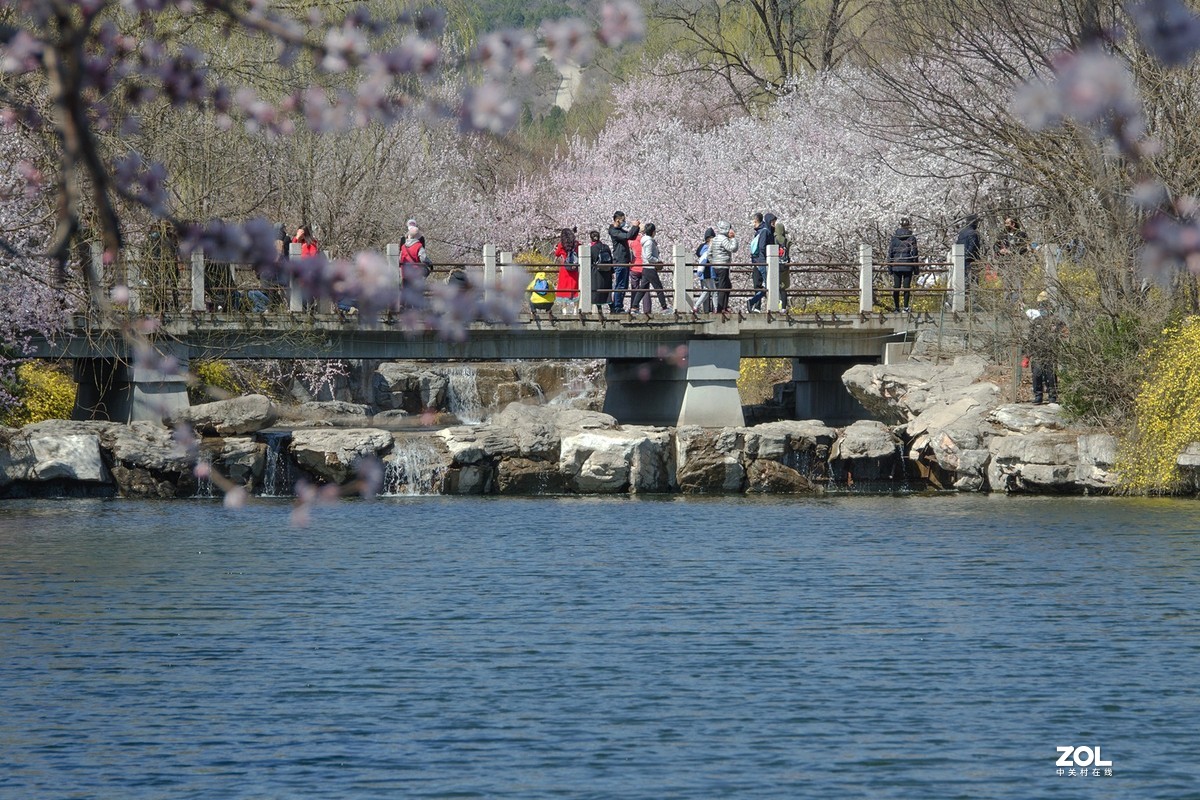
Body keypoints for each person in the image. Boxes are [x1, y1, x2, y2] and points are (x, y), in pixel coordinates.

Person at [1023, 292, 1067, 404]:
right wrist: (1027, 356)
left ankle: (1052, 396)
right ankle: (1038, 396)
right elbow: (1030, 340)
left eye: (1044, 305)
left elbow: (1065, 333)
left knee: (1051, 375)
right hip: (1038, 353)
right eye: (1040, 305)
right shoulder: (1036, 322)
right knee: (1037, 374)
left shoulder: (1056, 321)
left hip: (1051, 353)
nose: (1042, 307)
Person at [630, 222, 669, 314]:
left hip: (645, 267)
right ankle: (664, 307)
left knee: (643, 289)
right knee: (659, 288)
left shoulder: (645, 240)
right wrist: (657, 260)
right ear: (653, 232)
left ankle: (634, 307)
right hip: (650, 268)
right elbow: (648, 256)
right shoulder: (649, 242)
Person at [607, 211, 640, 313]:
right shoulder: (614, 231)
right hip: (619, 261)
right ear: (617, 220)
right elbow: (627, 236)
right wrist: (634, 226)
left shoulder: (620, 230)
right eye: (623, 220)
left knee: (624, 285)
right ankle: (617, 307)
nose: (624, 222)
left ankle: (619, 306)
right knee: (620, 284)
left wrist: (637, 227)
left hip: (625, 261)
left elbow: (631, 236)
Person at [886, 216, 920, 312]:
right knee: (906, 287)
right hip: (908, 266)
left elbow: (890, 254)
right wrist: (916, 269)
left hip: (896, 266)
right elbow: (914, 254)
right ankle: (905, 307)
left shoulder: (894, 239)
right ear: (908, 225)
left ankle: (897, 308)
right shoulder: (912, 238)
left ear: (900, 225)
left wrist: (889, 268)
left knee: (896, 287)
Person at [746, 212, 774, 312]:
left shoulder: (761, 231)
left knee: (768, 285)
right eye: (773, 221)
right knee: (769, 285)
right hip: (762, 261)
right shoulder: (764, 231)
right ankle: (753, 302)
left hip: (758, 261)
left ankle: (756, 304)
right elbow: (762, 247)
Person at [709, 220, 738, 312]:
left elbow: (709, 254)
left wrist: (713, 262)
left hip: (716, 266)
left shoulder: (714, 239)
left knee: (727, 285)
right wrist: (733, 238)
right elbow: (732, 248)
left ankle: (724, 306)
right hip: (723, 265)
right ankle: (720, 308)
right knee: (723, 286)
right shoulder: (723, 239)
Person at [553, 227, 580, 311]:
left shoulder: (561, 245)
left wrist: (555, 249)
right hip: (574, 268)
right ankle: (575, 310)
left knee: (564, 289)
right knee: (575, 289)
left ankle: (564, 311)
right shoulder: (576, 244)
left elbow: (557, 254)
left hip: (564, 269)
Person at [956, 214, 983, 294]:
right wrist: (969, 256)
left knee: (964, 283)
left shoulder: (962, 233)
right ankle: (973, 303)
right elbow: (973, 247)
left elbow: (958, 245)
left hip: (962, 261)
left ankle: (966, 301)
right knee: (973, 284)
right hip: (971, 261)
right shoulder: (973, 233)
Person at [588, 230, 614, 311]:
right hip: (607, 272)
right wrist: (612, 272)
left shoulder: (591, 249)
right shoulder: (606, 247)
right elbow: (611, 260)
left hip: (597, 273)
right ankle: (612, 309)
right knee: (607, 291)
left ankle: (599, 311)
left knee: (597, 292)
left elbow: (589, 262)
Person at [693, 227, 716, 312]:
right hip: (709, 272)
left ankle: (696, 306)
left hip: (704, 273)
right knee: (714, 291)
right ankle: (716, 309)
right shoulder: (708, 248)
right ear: (710, 239)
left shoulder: (703, 248)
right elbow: (704, 259)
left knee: (706, 291)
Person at [772, 217, 790, 310]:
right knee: (783, 287)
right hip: (785, 264)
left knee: (775, 285)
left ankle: (777, 305)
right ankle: (783, 307)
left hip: (776, 264)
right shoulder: (786, 240)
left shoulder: (774, 239)